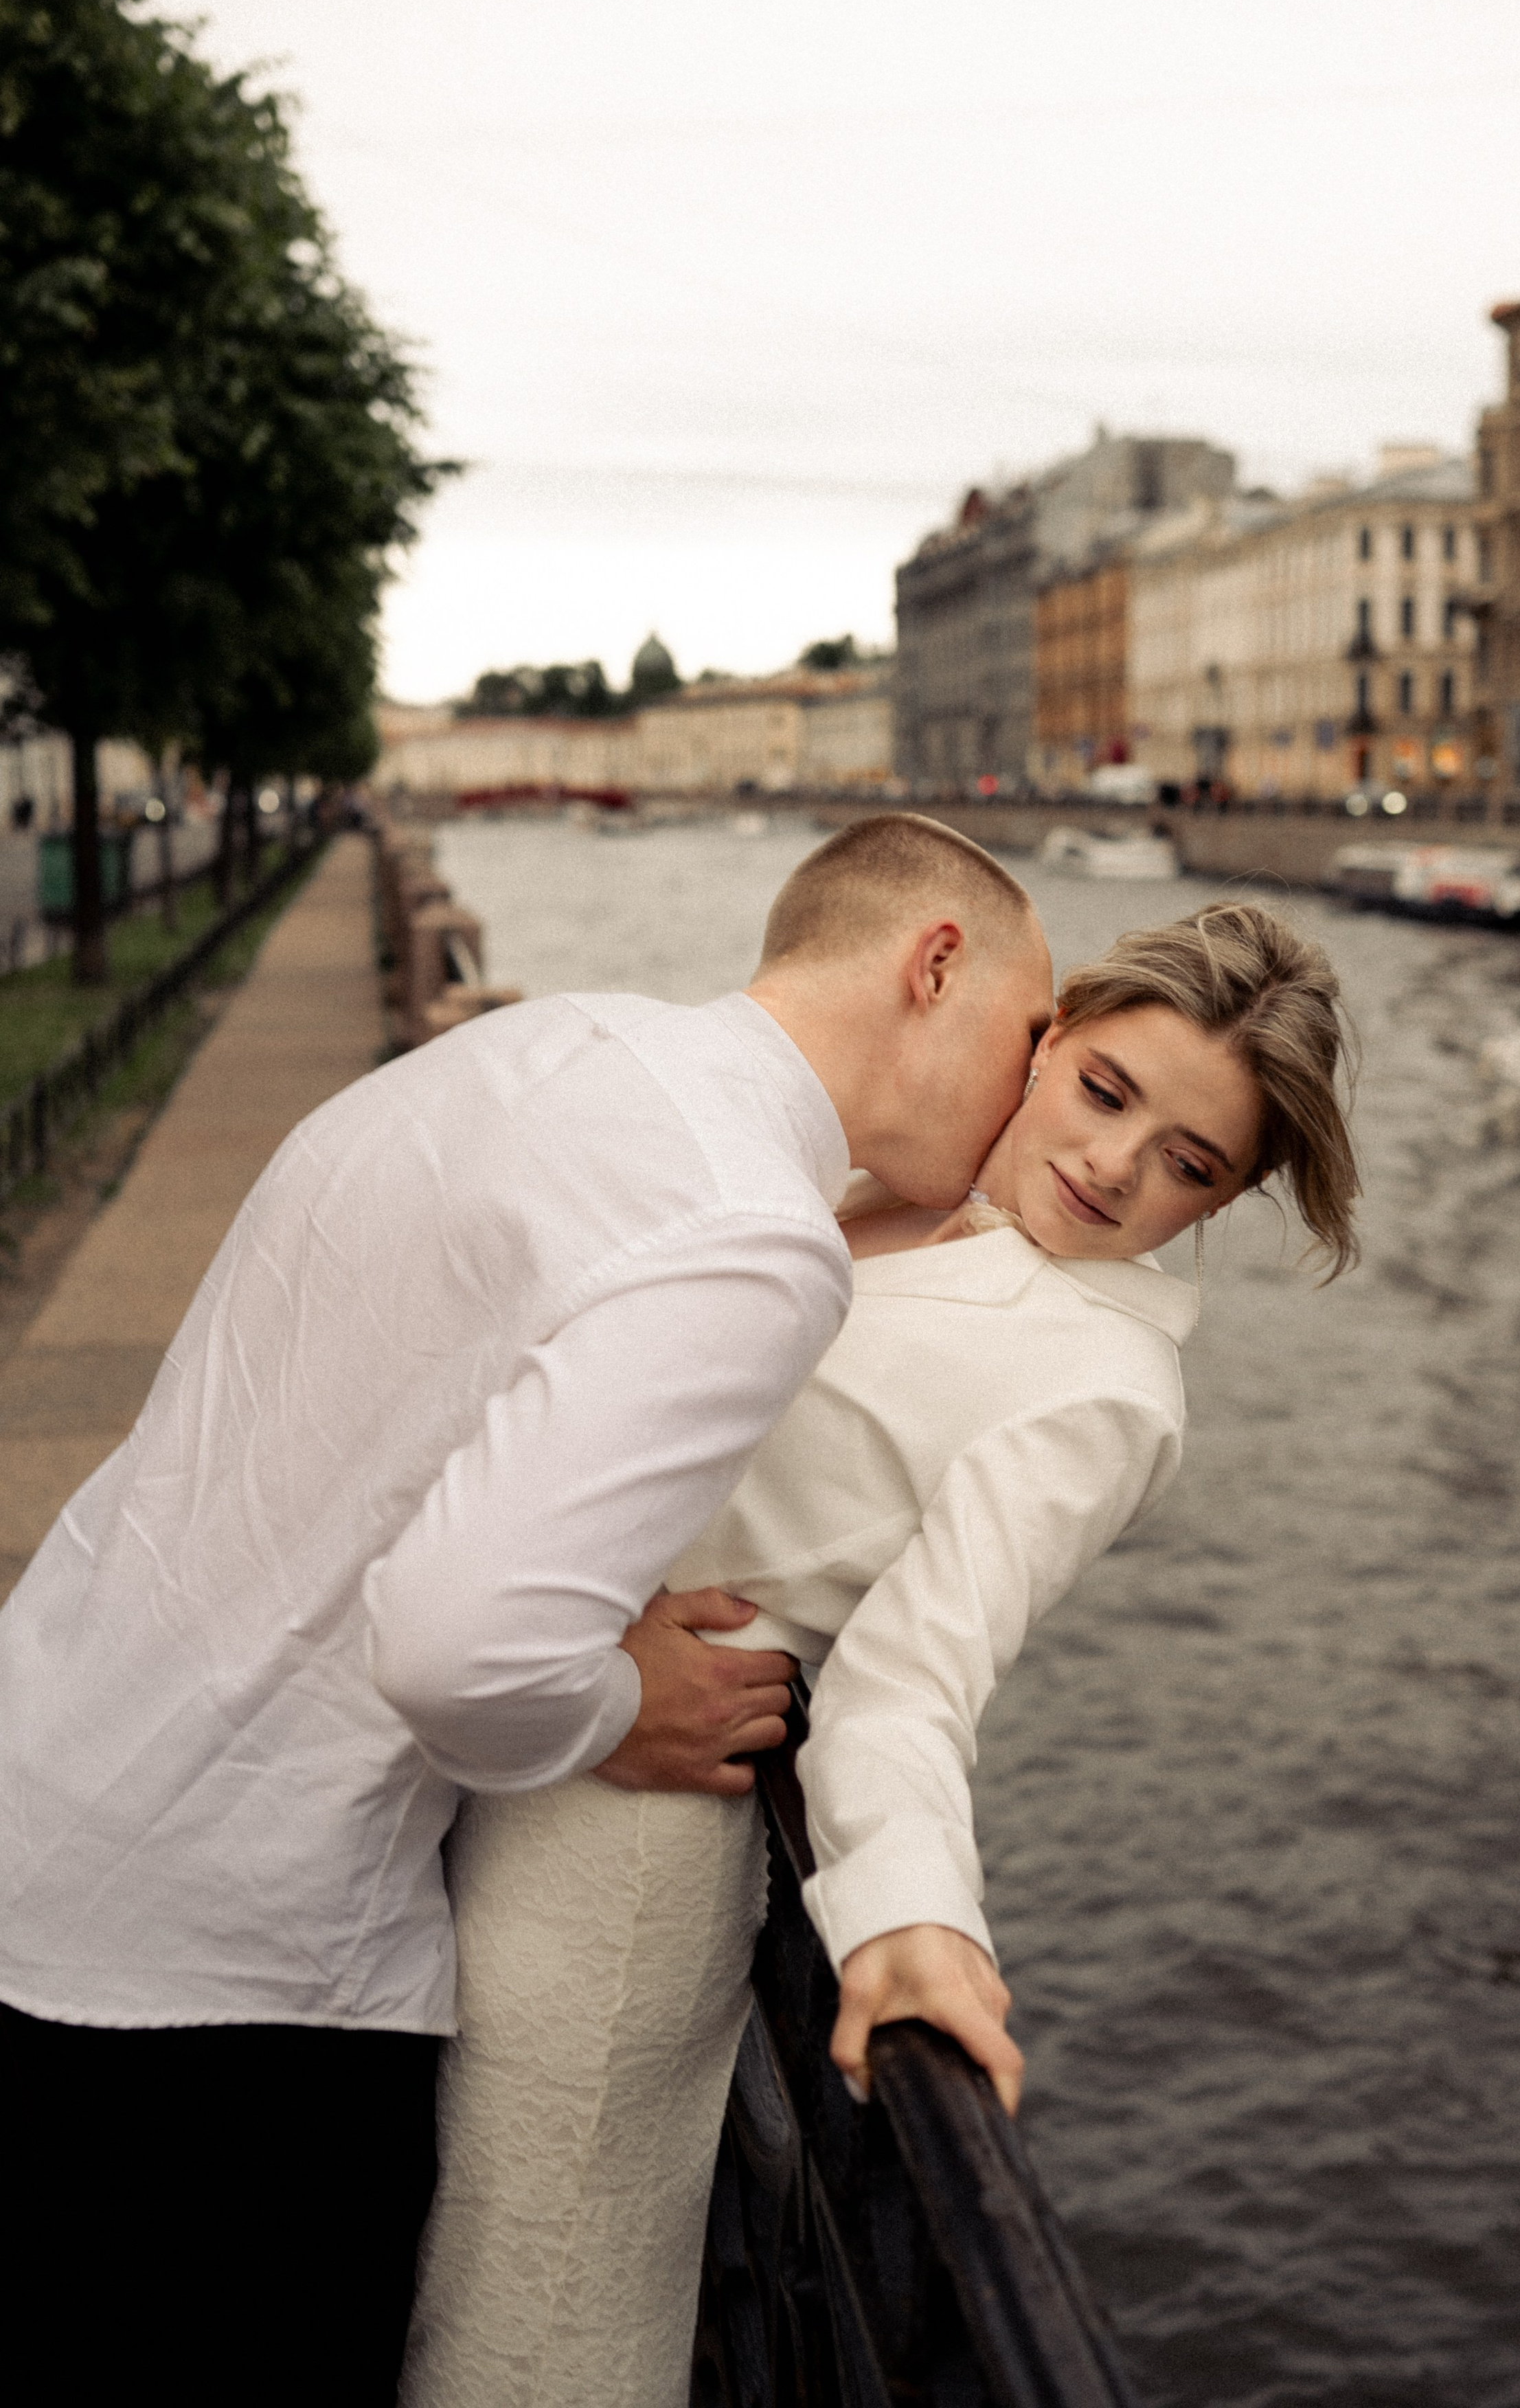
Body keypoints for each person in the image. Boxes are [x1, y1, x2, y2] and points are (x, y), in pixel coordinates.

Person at [0, 813, 1054, 2408]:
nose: (1032, 1095)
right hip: (229, 1984)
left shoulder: (555, 1050)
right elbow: (457, 1645)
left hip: (49, 1791)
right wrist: (631, 1707)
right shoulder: (754, 1235)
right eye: (1035, 1035)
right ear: (934, 965)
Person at [402, 901, 1360, 2408]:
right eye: (1106, 1091)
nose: (1115, 1168)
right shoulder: (885, 1169)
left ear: (1223, 1200)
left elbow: (912, 1678)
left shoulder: (1101, 1388)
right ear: (1046, 1041)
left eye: (1189, 1164)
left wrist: (915, 1918)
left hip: (615, 1837)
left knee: (528, 2321)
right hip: (491, 1704)